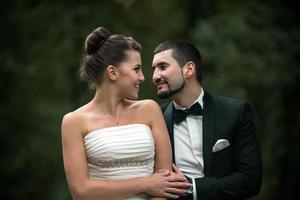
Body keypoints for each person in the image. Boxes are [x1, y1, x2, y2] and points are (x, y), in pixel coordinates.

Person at [61, 27, 191, 200]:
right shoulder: (73, 122)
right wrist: (146, 183)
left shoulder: (150, 110)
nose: (143, 77)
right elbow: (81, 191)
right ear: (113, 72)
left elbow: (164, 183)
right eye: (136, 69)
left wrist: (155, 186)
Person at [151, 40, 263, 200]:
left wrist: (191, 189)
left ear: (188, 69)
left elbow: (251, 180)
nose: (155, 76)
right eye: (153, 69)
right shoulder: (155, 119)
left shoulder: (235, 112)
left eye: (163, 67)